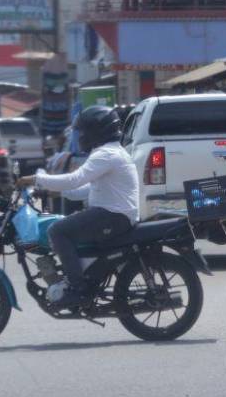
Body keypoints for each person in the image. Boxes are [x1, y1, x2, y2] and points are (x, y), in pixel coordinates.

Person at [17, 106, 138, 307]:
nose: (80, 137)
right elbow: (86, 189)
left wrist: (35, 179)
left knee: (57, 230)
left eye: (83, 132)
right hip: (114, 214)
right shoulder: (111, 152)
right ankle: (80, 276)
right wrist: (53, 190)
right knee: (63, 225)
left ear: (96, 131)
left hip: (112, 216)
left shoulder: (105, 154)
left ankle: (77, 289)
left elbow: (75, 179)